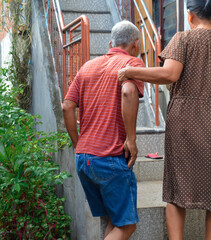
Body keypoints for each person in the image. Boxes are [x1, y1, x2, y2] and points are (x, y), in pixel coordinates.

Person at [118, 0, 211, 239]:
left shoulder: (182, 39)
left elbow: (169, 74)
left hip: (186, 123)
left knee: (178, 192)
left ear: (190, 16)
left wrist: (130, 71)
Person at [62, 21, 144, 240]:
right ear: (135, 45)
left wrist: (78, 143)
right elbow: (128, 91)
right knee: (127, 226)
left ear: (110, 43)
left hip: (84, 160)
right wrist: (132, 140)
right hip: (110, 158)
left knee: (112, 220)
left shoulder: (87, 66)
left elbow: (67, 105)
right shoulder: (132, 63)